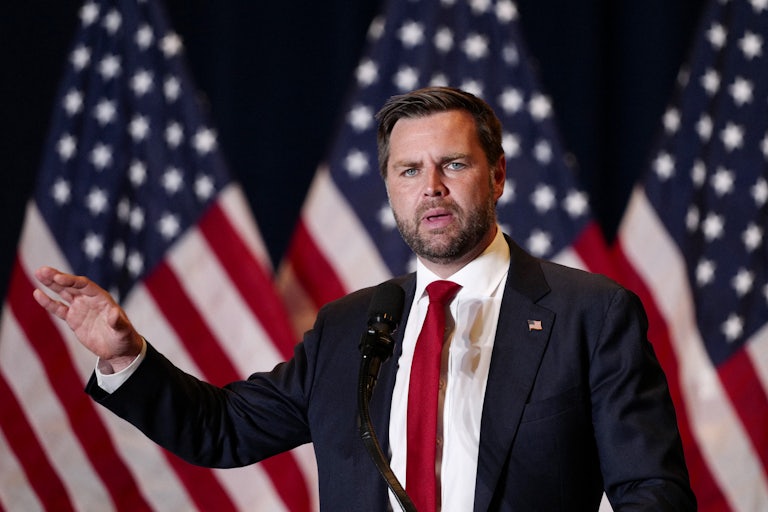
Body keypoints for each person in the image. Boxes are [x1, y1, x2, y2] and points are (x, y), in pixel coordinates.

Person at [34, 86, 696, 511]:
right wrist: (127, 356)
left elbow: (653, 494)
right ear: (389, 190)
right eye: (409, 171)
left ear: (496, 176)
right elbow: (224, 431)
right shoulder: (350, 326)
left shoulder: (589, 313)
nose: (430, 186)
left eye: (454, 164)